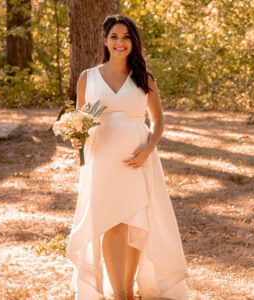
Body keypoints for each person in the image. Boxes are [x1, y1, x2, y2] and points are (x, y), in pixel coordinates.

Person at [66, 14, 189, 300]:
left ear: (133, 42)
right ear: (105, 41)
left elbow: (157, 120)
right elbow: (79, 119)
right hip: (102, 157)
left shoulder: (144, 77)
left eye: (126, 37)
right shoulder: (88, 77)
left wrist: (148, 149)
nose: (120, 43)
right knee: (110, 222)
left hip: (137, 157)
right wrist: (76, 138)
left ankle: (131, 288)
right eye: (114, 37)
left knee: (135, 221)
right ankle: (119, 292)